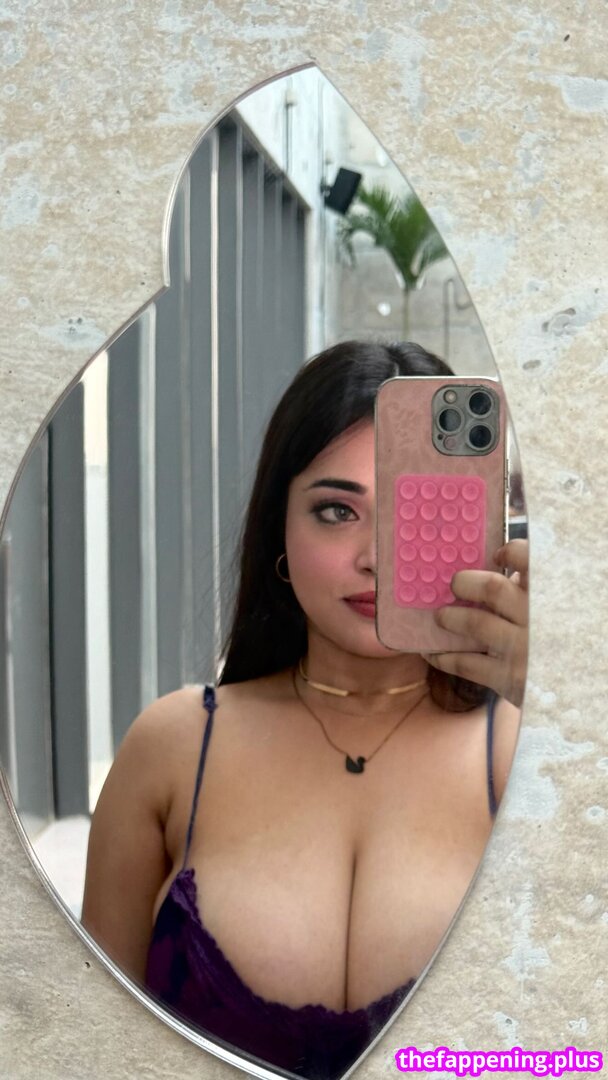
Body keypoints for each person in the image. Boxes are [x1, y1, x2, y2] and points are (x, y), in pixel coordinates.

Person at [82, 340, 527, 1080]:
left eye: (418, 511)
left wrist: (571, 705)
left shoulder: (532, 755)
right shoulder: (174, 747)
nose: (376, 556)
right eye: (336, 510)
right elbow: (86, 1046)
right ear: (280, 530)